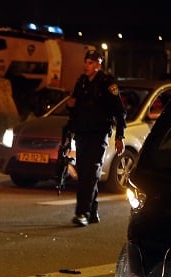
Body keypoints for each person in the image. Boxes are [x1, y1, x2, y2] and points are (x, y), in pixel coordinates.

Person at [65, 49, 126, 227]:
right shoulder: (82, 82)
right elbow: (74, 106)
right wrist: (70, 106)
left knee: (91, 173)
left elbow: (120, 112)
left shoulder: (107, 84)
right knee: (84, 173)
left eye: (91, 62)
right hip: (82, 133)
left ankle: (82, 212)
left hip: (98, 135)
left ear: (98, 65)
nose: (87, 65)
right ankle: (93, 212)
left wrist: (120, 136)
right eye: (86, 62)